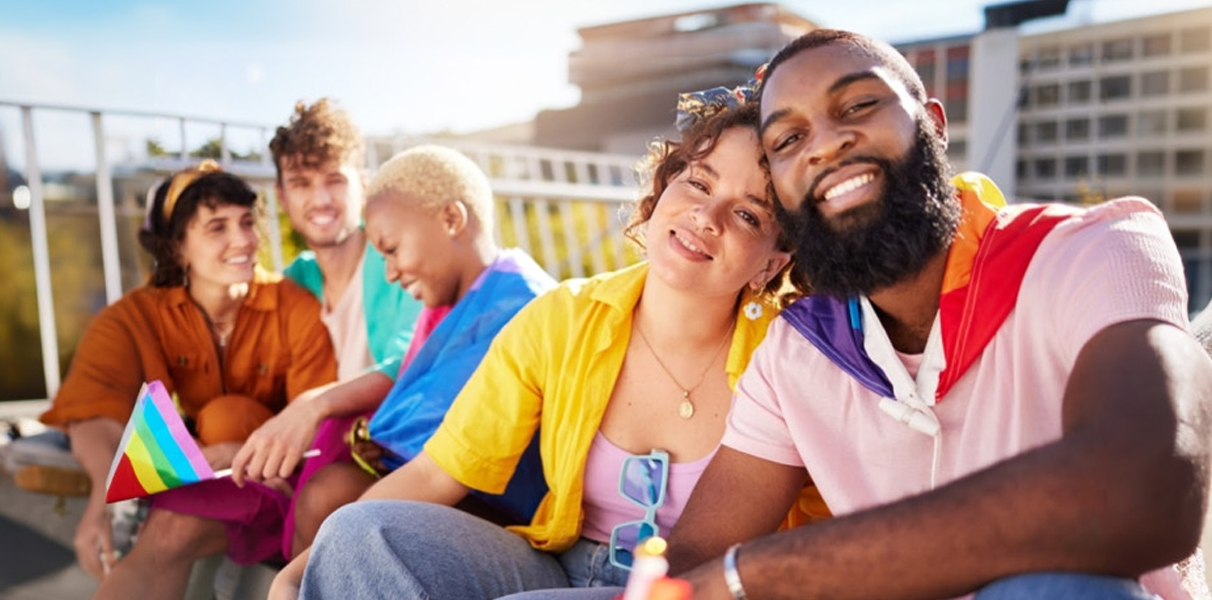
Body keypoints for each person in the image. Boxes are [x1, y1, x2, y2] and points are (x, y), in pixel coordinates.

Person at [663, 29, 1212, 600]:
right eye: (787, 139)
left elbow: (1143, 490)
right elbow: (694, 562)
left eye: (858, 105)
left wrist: (765, 573)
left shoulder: (1089, 252)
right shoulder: (795, 354)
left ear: (932, 124)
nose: (824, 145)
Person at [270, 97, 796, 600]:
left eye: (748, 215)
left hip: (703, 589)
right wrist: (302, 571)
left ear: (772, 264)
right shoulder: (562, 317)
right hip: (563, 566)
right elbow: (437, 472)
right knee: (360, 533)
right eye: (698, 183)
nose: (707, 216)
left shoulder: (787, 359)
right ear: (662, 191)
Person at [39, 161, 338, 600]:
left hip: (278, 481)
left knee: (217, 432)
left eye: (245, 223)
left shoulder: (294, 307)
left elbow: (315, 428)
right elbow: (92, 411)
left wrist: (242, 450)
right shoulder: (134, 317)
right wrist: (107, 495)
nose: (243, 241)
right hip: (196, 479)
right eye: (217, 228)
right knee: (169, 528)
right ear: (176, 249)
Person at [258, 144, 557, 557]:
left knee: (329, 495)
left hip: (524, 521)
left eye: (392, 249)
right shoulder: (461, 304)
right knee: (328, 491)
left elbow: (449, 438)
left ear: (451, 218)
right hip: (473, 495)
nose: (390, 272)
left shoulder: (519, 303)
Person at [228, 99, 421, 555]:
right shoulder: (291, 284)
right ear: (281, 195)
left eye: (335, 180)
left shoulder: (397, 262)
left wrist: (314, 406)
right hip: (318, 459)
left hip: (394, 455)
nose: (320, 200)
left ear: (364, 185)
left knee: (323, 498)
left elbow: (410, 362)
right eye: (301, 183)